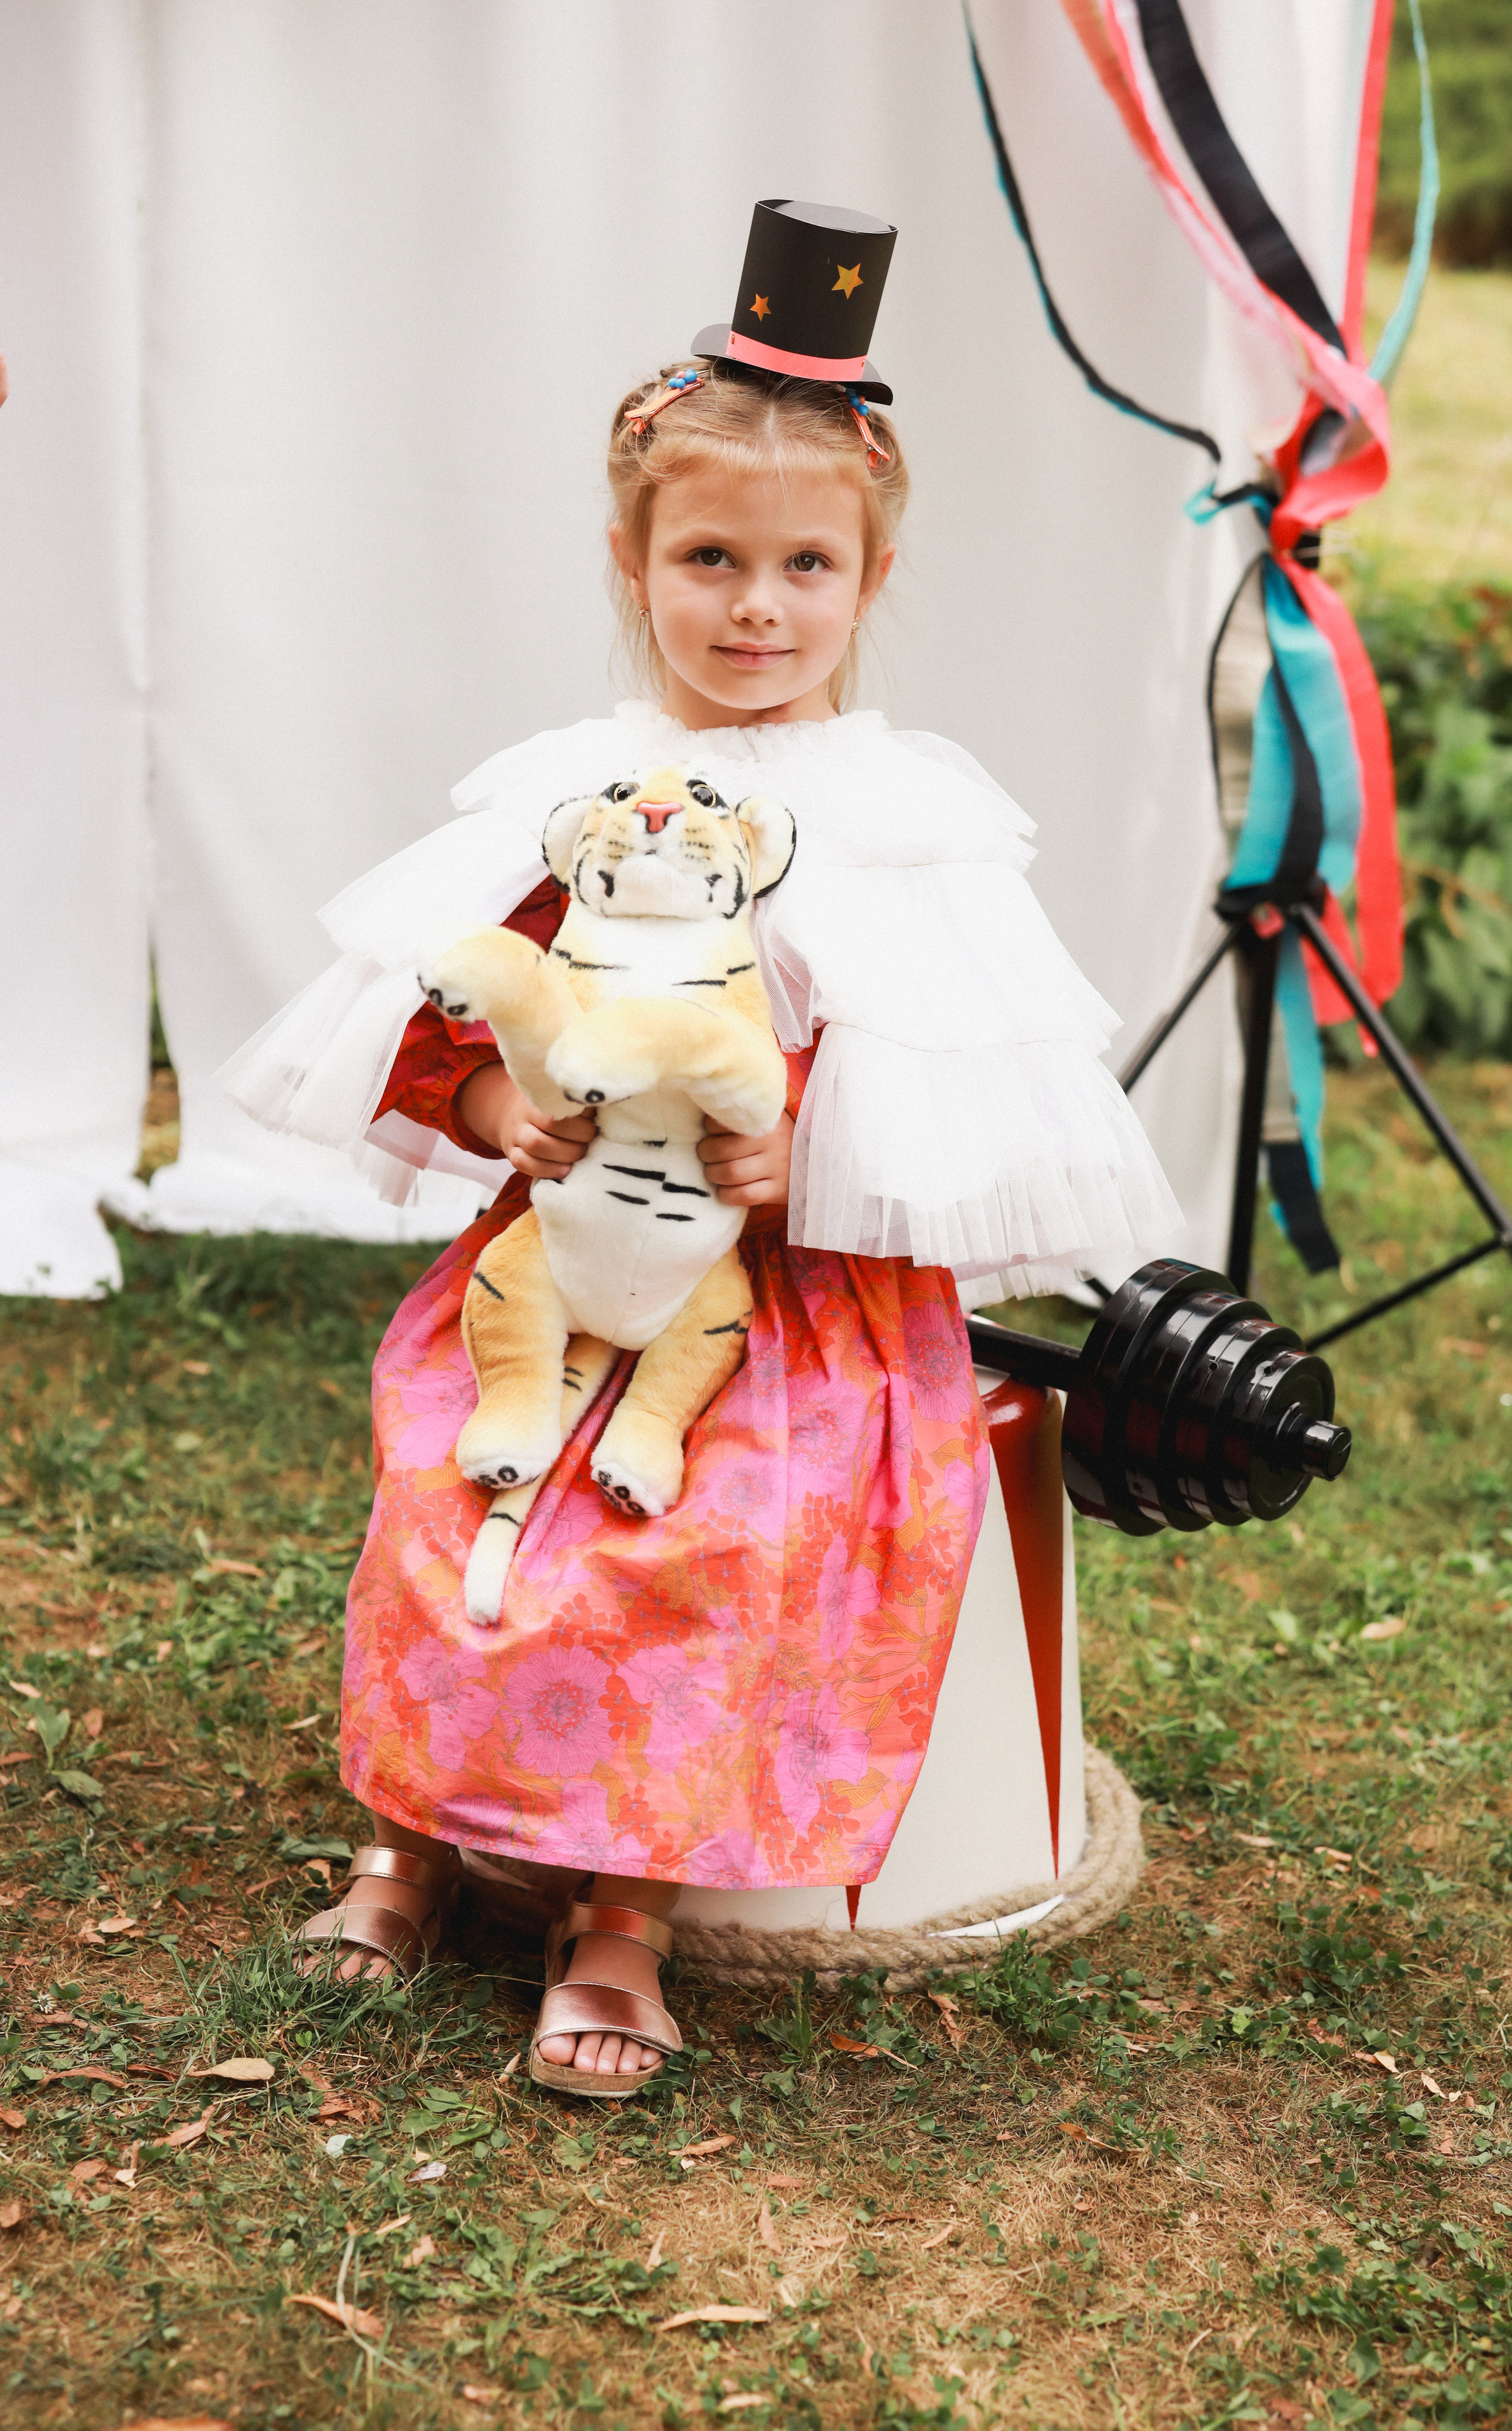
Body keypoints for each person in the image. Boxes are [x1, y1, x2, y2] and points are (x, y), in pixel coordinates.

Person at [225, 201, 1178, 2098]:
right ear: (634, 561)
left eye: (805, 564)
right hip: (565, 1263)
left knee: (708, 1536)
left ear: (874, 576)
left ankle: (623, 1914)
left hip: (791, 1303)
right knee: (450, 1486)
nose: (757, 607)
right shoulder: (573, 797)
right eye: (711, 559)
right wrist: (503, 1111)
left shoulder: (905, 826)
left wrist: (805, 1158)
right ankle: (412, 1846)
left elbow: (964, 1094)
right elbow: (446, 1022)